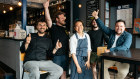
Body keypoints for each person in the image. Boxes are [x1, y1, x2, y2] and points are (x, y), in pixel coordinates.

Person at [92, 10, 132, 79]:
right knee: (102, 66)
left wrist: (110, 49)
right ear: (115, 27)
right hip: (110, 56)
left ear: (124, 27)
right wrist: (96, 17)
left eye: (121, 26)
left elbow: (125, 47)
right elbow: (103, 27)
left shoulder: (128, 35)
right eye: (117, 26)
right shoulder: (112, 32)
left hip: (122, 58)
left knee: (123, 72)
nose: (119, 28)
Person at [43, 0, 69, 79]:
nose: (64, 19)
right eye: (62, 18)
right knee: (56, 74)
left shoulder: (65, 29)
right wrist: (46, 7)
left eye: (64, 17)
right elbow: (48, 20)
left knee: (64, 73)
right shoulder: (53, 28)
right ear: (57, 19)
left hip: (65, 55)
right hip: (57, 56)